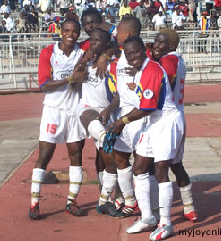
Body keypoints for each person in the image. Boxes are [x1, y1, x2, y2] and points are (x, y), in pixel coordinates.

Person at [110, 36, 184, 240]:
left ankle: (166, 223)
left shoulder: (151, 69)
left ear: (144, 50)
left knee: (161, 170)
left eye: (136, 52)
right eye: (128, 54)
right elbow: (144, 106)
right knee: (139, 168)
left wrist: (121, 121)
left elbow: (147, 107)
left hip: (166, 122)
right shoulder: (141, 71)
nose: (132, 56)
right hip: (153, 122)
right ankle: (148, 217)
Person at [29, 19, 87, 220]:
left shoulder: (83, 50)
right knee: (45, 154)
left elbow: (109, 39)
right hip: (53, 110)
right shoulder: (48, 53)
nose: (71, 34)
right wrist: (70, 80)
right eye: (67, 30)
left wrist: (105, 56)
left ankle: (71, 202)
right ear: (60, 32)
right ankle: (34, 203)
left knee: (76, 154)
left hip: (76, 111)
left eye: (75, 31)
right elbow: (44, 84)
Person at [151, 28, 198, 223]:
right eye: (155, 41)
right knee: (176, 165)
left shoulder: (169, 60)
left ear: (171, 45)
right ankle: (189, 207)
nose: (156, 45)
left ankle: (157, 212)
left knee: (157, 167)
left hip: (166, 119)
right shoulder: (179, 60)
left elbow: (165, 83)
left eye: (160, 42)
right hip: (178, 116)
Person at [101, 16, 145, 218]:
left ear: (127, 34)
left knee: (143, 163)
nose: (115, 35)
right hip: (122, 114)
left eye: (118, 32)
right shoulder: (120, 56)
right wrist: (110, 109)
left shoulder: (141, 58)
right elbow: (121, 91)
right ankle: (129, 200)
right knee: (119, 157)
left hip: (139, 116)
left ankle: (147, 203)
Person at [74, 28, 121, 216]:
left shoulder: (111, 65)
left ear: (106, 44)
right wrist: (78, 72)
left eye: (97, 41)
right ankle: (104, 137)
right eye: (91, 41)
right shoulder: (85, 63)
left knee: (109, 160)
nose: (93, 44)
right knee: (87, 115)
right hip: (88, 111)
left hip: (106, 114)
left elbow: (120, 94)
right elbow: (73, 85)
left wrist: (108, 110)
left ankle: (105, 200)